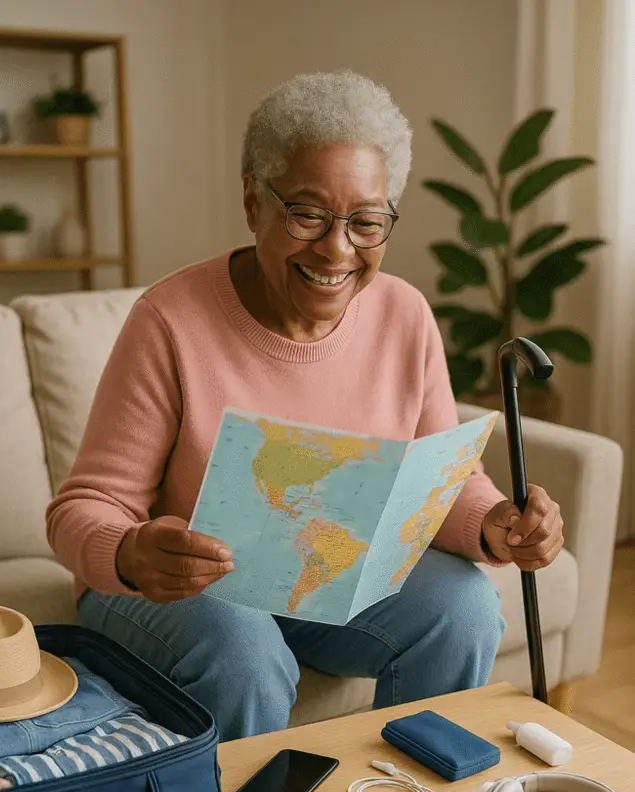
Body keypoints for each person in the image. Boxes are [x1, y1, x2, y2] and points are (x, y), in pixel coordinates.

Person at [46, 70, 564, 741]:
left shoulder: (404, 313)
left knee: (464, 605)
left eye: (365, 221)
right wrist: (129, 549)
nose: (337, 248)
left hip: (323, 574)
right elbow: (81, 509)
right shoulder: (170, 320)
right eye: (308, 213)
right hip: (176, 587)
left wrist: (496, 523)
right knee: (242, 651)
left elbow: (443, 484)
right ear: (253, 202)